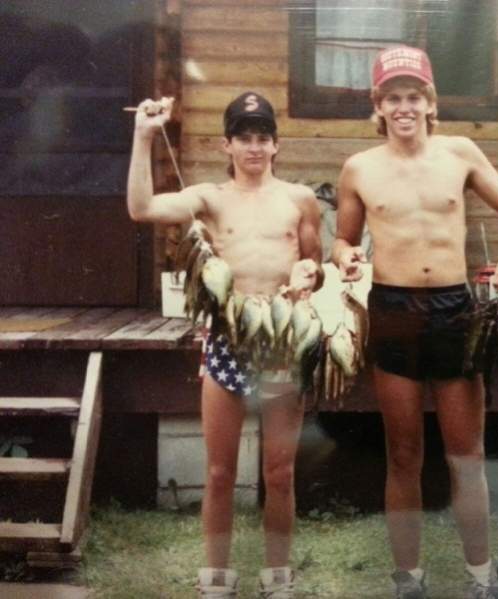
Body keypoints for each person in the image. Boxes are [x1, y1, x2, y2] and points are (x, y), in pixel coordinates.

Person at [332, 45, 498, 599]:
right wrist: (344, 254)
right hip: (393, 310)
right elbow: (343, 237)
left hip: (454, 310)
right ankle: (408, 580)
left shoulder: (459, 153)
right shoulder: (360, 168)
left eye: (413, 96)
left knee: (466, 454)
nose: (404, 107)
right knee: (403, 453)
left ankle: (481, 577)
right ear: (378, 104)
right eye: (392, 97)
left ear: (429, 102)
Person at [127, 92, 324, 598]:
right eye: (244, 137)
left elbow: (315, 267)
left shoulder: (300, 199)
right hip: (228, 343)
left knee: (279, 473)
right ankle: (216, 578)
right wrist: (144, 135)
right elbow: (142, 208)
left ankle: (277, 577)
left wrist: (309, 273)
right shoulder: (210, 198)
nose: (254, 147)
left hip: (281, 341)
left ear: (276, 145)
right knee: (218, 472)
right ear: (227, 144)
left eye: (263, 138)